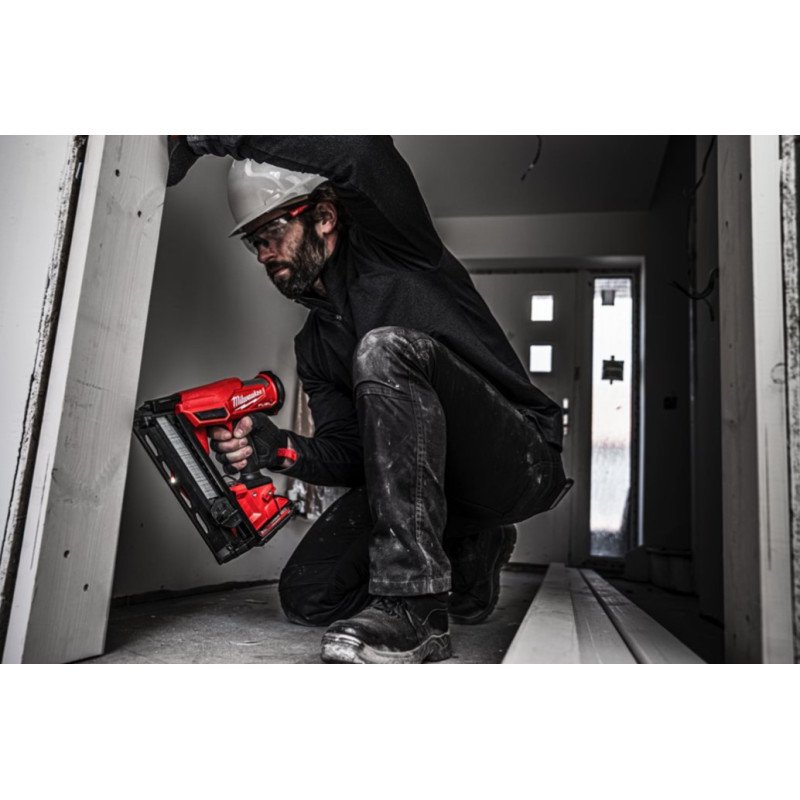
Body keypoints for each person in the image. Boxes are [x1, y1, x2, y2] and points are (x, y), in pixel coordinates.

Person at [167, 136, 569, 664]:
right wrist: (278, 448)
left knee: (384, 349)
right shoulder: (314, 346)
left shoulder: (397, 248)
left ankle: (416, 611)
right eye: (254, 242)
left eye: (273, 232)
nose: (264, 253)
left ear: (325, 217)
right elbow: (351, 456)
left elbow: (360, 150)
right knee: (309, 596)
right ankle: (470, 550)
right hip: (437, 489)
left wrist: (211, 133)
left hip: (517, 463)